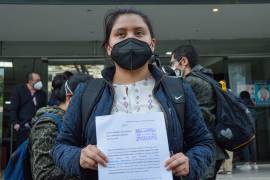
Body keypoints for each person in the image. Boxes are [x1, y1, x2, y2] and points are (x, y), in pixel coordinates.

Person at [52, 8, 214, 180]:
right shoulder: (86, 93)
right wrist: (78, 158)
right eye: (120, 34)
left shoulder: (178, 90)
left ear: (152, 44)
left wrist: (191, 162)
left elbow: (204, 143)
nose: (130, 38)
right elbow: (61, 147)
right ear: (108, 47)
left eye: (138, 32)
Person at [170, 45, 226, 180]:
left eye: (172, 63)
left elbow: (197, 118)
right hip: (213, 148)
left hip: (202, 150)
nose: (172, 67)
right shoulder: (207, 78)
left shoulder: (190, 82)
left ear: (183, 61)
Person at [30, 73, 92, 180]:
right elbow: (43, 174)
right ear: (70, 97)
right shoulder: (48, 125)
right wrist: (81, 164)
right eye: (88, 101)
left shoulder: (77, 121)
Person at [10, 72, 47, 146]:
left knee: (35, 149)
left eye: (40, 80)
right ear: (30, 81)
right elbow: (13, 108)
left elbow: (43, 109)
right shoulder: (19, 90)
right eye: (37, 80)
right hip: (22, 126)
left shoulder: (42, 94)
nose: (39, 82)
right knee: (22, 150)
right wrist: (15, 124)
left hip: (37, 127)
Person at [238, 90, 258, 170]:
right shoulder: (252, 104)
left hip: (244, 127)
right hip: (252, 127)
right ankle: (254, 163)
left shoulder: (241, 103)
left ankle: (247, 163)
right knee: (252, 145)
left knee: (245, 144)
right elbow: (255, 116)